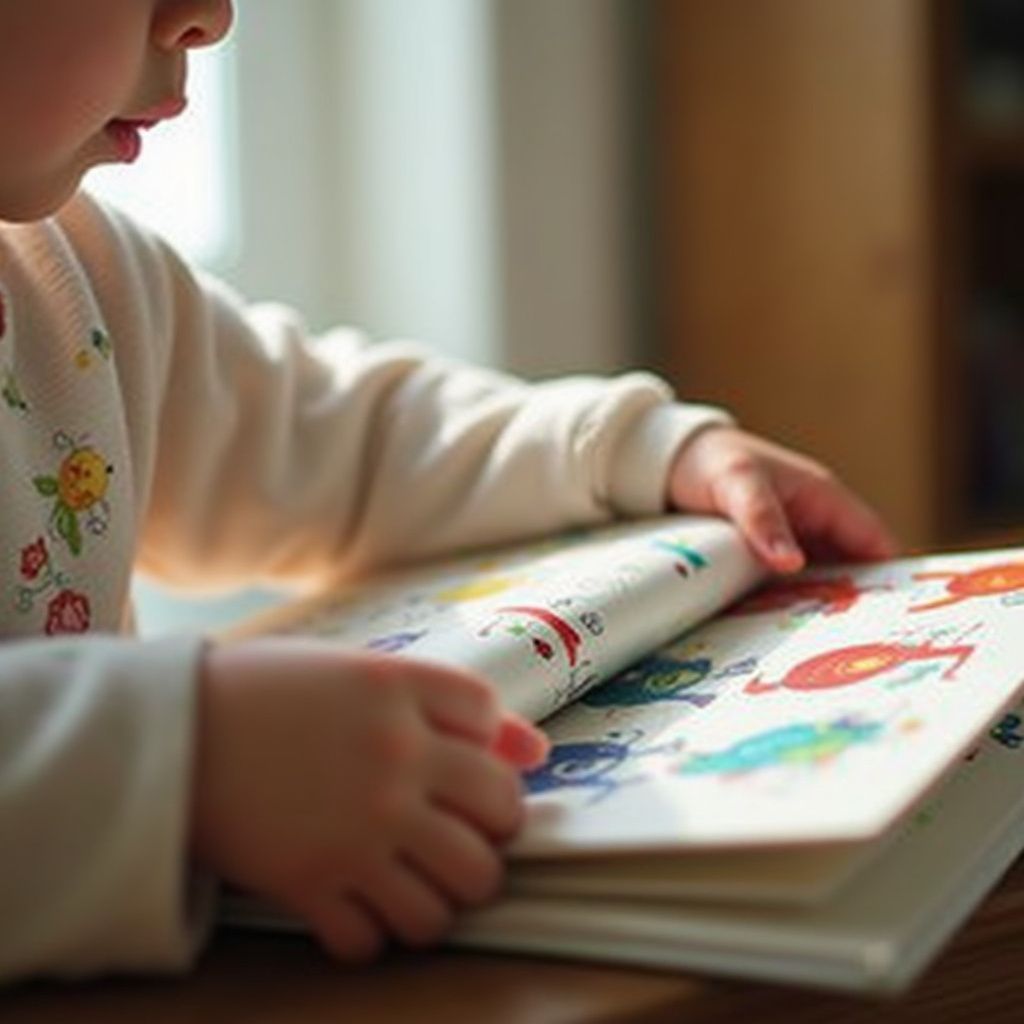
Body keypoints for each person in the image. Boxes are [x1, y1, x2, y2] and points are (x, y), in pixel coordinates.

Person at [0, 0, 897, 984]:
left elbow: (348, 444)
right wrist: (181, 763)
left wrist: (634, 451)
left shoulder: (76, 275)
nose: (210, 16)